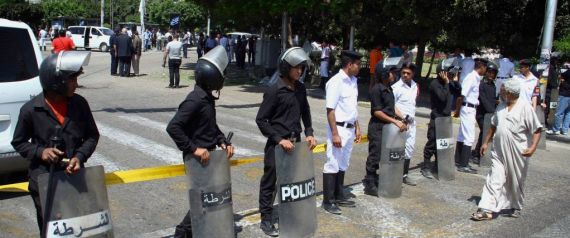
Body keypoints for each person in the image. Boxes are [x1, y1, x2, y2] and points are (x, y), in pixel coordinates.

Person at [11, 51, 99, 235]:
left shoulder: (80, 104)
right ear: (56, 83)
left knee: (78, 227)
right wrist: (40, 152)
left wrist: (79, 157)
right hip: (45, 182)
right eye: (72, 80)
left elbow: (92, 136)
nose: (76, 84)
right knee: (52, 230)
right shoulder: (30, 110)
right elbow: (18, 142)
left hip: (75, 179)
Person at [166, 46, 234, 237]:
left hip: (208, 155)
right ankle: (182, 233)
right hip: (197, 158)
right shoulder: (195, 100)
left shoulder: (206, 98)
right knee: (203, 198)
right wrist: (194, 149)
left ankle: (199, 230)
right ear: (212, 77)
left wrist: (222, 141)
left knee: (209, 196)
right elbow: (173, 127)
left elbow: (210, 126)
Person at [255, 47, 316, 236]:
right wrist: (279, 139)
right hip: (277, 146)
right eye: (296, 68)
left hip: (295, 143)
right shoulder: (274, 90)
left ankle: (289, 214)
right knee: (270, 182)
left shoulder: (300, 88)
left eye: (302, 68)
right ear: (286, 68)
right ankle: (266, 219)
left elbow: (305, 110)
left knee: (292, 182)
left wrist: (309, 132)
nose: (299, 71)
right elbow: (261, 120)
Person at [471, 79, 542, 221]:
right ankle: (487, 209)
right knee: (494, 178)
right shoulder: (501, 106)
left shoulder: (525, 107)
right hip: (499, 151)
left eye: (502, 90)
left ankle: (515, 205)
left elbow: (537, 129)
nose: (500, 92)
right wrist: (485, 143)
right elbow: (493, 126)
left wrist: (533, 147)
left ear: (509, 93)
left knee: (515, 181)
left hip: (518, 152)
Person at [322, 50, 362, 214]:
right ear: (349, 64)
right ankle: (328, 201)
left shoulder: (353, 81)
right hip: (338, 128)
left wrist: (357, 126)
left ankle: (338, 194)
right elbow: (330, 109)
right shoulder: (336, 82)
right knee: (332, 163)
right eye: (358, 64)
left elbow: (353, 107)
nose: (359, 67)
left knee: (343, 163)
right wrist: (335, 133)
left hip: (350, 128)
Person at [363, 63, 408, 194]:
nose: (395, 75)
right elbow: (377, 112)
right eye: (392, 72)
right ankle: (370, 183)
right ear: (384, 73)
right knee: (375, 155)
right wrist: (395, 121)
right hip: (378, 127)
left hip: (388, 127)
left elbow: (391, 107)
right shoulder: (376, 89)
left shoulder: (389, 88)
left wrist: (402, 117)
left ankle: (378, 179)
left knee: (385, 155)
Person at [421, 60, 461, 179]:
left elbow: (459, 90)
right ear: (442, 72)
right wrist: (447, 83)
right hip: (436, 118)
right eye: (448, 72)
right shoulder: (435, 84)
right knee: (432, 142)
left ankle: (439, 166)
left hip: (445, 118)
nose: (450, 74)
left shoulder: (448, 83)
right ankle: (426, 166)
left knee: (443, 144)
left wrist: (454, 80)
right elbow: (443, 98)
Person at [454, 58, 488, 174]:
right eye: (485, 68)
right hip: (467, 108)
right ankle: (463, 164)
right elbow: (461, 95)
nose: (486, 71)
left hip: (470, 108)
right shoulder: (471, 77)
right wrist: (457, 111)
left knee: (462, 135)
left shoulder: (476, 78)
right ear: (482, 66)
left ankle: (458, 160)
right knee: (469, 137)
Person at [392, 62, 419, 186]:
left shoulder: (414, 86)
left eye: (408, 73)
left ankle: (404, 175)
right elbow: (392, 106)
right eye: (403, 72)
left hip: (411, 124)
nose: (405, 75)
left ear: (413, 74)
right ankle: (393, 175)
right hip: (400, 123)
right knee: (396, 149)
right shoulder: (396, 87)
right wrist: (402, 117)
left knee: (409, 149)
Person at [472, 62, 498, 164]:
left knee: (486, 132)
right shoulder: (481, 85)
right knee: (484, 131)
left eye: (493, 73)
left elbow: (492, 100)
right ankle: (476, 153)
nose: (491, 75)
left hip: (490, 114)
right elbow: (483, 100)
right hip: (481, 114)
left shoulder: (493, 86)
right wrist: (492, 111)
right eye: (489, 73)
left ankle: (478, 152)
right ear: (486, 73)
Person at [546, 70, 570, 135]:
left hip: (565, 94)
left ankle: (556, 130)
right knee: (568, 113)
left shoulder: (567, 72)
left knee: (559, 113)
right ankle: (565, 130)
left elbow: (561, 75)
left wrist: (562, 80)